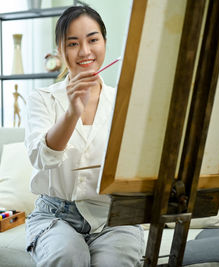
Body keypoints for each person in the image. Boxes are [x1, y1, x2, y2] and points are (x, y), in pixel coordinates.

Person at [24, 5, 144, 267]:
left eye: (93, 40)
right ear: (59, 49)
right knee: (68, 256)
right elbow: (41, 158)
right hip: (55, 215)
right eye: (73, 43)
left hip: (113, 218)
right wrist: (72, 113)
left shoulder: (125, 101)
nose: (85, 52)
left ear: (105, 42)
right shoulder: (41, 99)